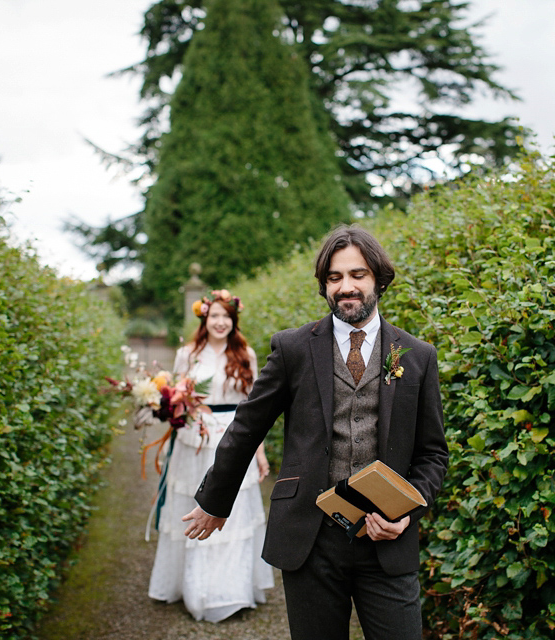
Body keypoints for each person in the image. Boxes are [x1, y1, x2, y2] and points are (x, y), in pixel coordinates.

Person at [182, 225, 448, 639]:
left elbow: (433, 454)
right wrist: (215, 501)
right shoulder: (293, 348)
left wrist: (407, 510)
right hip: (310, 537)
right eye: (335, 277)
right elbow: (247, 426)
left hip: (387, 542)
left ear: (378, 278)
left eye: (357, 275)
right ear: (324, 286)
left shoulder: (417, 356)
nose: (347, 287)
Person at [147, 289, 274, 622]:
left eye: (226, 317)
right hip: (195, 438)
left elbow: (255, 410)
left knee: (237, 513)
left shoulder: (245, 354)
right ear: (204, 318)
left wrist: (259, 455)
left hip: (235, 437)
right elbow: (175, 400)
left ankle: (231, 590)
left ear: (234, 321)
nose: (220, 322)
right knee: (191, 507)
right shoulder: (187, 354)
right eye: (214, 316)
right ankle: (191, 586)